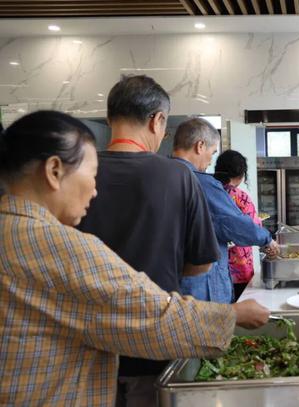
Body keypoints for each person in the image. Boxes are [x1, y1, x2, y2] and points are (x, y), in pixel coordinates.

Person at [0, 110, 270, 406]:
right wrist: (233, 315)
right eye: (91, 174)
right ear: (54, 170)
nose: (95, 190)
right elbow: (153, 316)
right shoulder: (56, 246)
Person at [77, 75, 223, 405]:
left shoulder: (77, 173)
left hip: (87, 347)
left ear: (109, 118)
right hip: (152, 341)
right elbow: (201, 263)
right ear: (157, 121)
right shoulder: (178, 176)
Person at [172, 118, 279, 304]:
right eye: (212, 152)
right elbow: (235, 224)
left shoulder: (155, 176)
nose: (209, 161)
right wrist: (267, 240)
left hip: (167, 283)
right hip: (200, 288)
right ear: (200, 146)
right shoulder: (202, 183)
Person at [214, 150, 263, 300]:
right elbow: (253, 229)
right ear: (241, 175)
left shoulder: (208, 192)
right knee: (240, 309)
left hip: (213, 268)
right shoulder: (241, 197)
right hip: (240, 268)